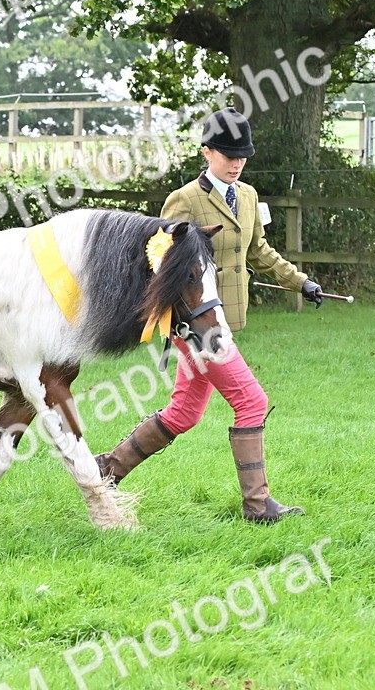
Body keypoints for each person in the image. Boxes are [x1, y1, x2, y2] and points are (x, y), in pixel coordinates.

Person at [95, 108, 321, 523]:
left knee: (185, 412)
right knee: (252, 401)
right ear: (206, 152)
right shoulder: (184, 200)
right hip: (195, 327)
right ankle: (257, 505)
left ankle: (107, 468)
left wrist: (299, 282)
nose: (236, 164)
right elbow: (160, 262)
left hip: (225, 320)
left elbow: (258, 251)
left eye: (242, 157)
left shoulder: (249, 196)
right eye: (227, 155)